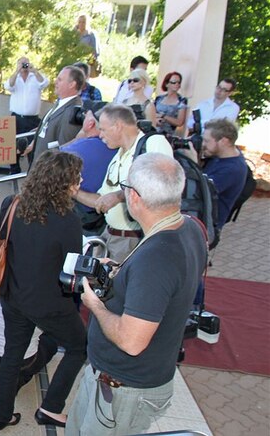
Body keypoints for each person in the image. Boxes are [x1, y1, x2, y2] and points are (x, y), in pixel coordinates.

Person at [67, 153, 206, 435]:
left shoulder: (156, 259)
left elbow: (132, 342)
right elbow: (166, 289)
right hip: (117, 381)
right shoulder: (189, 227)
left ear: (134, 197)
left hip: (122, 390)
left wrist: (95, 305)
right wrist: (120, 272)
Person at [0, 150, 86, 431]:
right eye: (76, 177)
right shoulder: (69, 218)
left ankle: (2, 417)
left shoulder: (13, 203)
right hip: (49, 303)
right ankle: (51, 408)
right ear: (61, 183)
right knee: (79, 347)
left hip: (14, 296)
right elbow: (72, 270)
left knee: (12, 355)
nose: (80, 182)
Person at [73, 105, 174, 262]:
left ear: (118, 126)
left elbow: (161, 189)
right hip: (110, 236)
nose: (100, 135)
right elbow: (101, 199)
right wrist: (73, 191)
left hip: (134, 240)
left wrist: (119, 195)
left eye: (104, 130)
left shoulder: (153, 143)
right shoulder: (118, 156)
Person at [60, 109, 118, 235]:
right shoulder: (120, 149)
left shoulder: (80, 147)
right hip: (102, 221)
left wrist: (79, 137)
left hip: (79, 215)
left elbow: (53, 159)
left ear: (91, 123)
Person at [0, 300, 57, 388]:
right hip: (22, 360)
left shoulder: (10, 287)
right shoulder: (50, 306)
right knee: (52, 344)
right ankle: (20, 379)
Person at [27, 66, 85, 164]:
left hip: (49, 172)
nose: (55, 82)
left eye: (60, 79)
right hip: (39, 168)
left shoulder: (72, 111)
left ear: (72, 84)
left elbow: (65, 149)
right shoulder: (60, 104)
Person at [199, 119, 249, 230]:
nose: (203, 144)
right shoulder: (222, 156)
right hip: (201, 219)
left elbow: (200, 191)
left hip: (207, 227)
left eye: (207, 141)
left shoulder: (232, 169)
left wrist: (191, 160)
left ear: (224, 141)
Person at [4, 56, 50, 156]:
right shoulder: (15, 78)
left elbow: (45, 83)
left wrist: (34, 71)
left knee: (31, 147)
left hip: (32, 119)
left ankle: (31, 170)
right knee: (14, 146)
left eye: (26, 63)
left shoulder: (35, 77)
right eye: (22, 63)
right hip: (16, 118)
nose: (24, 66)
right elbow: (8, 86)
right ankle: (14, 170)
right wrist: (17, 72)